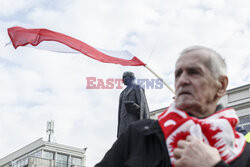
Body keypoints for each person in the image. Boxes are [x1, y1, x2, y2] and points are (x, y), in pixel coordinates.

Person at [95, 46, 250, 167]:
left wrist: (215, 166)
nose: (182, 80)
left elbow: (141, 106)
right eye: (178, 74)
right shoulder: (138, 135)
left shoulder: (244, 150)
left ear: (221, 85)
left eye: (194, 72)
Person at [117, 71, 150, 138]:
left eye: (124, 77)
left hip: (133, 121)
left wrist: (134, 107)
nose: (122, 80)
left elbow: (143, 107)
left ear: (130, 78)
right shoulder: (122, 93)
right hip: (122, 125)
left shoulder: (137, 88)